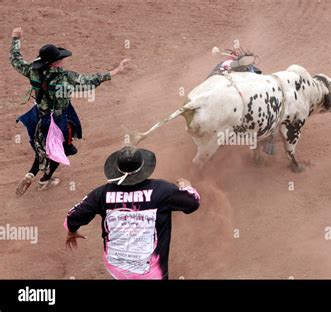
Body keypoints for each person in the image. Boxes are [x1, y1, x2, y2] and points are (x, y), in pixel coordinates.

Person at [10, 27, 130, 195]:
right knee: (61, 150)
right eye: (60, 59)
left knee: (42, 148)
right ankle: (45, 180)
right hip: (57, 121)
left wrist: (15, 38)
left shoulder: (32, 71)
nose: (62, 61)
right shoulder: (66, 78)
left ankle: (31, 174)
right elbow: (91, 80)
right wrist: (116, 70)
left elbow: (16, 60)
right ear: (54, 63)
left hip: (37, 117)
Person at [64, 146, 200, 279]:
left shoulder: (101, 193)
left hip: (117, 269)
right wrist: (186, 186)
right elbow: (192, 203)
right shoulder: (162, 190)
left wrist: (72, 230)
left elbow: (74, 216)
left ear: (116, 170)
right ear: (144, 168)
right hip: (152, 272)